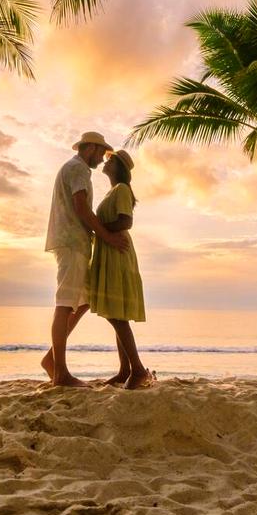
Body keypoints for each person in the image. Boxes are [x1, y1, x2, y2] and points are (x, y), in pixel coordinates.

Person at [43, 131, 129, 387]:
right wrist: (108, 237)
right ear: (89, 148)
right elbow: (82, 209)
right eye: (101, 152)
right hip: (71, 243)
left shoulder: (76, 169)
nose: (103, 159)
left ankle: (51, 359)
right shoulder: (78, 168)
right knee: (65, 303)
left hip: (76, 243)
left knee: (85, 300)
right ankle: (60, 373)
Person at [90, 149, 153, 389]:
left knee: (115, 314)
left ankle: (137, 369)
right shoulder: (115, 191)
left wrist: (97, 227)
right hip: (112, 251)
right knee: (116, 312)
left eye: (110, 160)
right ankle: (125, 369)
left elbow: (126, 221)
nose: (106, 162)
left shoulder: (122, 190)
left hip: (117, 252)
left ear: (118, 167)